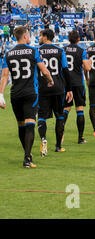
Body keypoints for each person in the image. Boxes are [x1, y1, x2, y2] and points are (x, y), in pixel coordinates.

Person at [0, 27, 54, 168]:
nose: (30, 37)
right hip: (30, 92)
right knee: (30, 125)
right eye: (29, 34)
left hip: (15, 94)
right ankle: (27, 159)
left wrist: (1, 94)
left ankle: (27, 154)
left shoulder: (8, 53)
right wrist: (50, 79)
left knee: (21, 126)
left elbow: (5, 76)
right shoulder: (33, 51)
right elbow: (44, 70)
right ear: (24, 36)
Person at [37, 29, 73, 155]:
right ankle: (58, 146)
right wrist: (69, 89)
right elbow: (66, 71)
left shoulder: (37, 51)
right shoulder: (60, 50)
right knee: (60, 116)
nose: (39, 37)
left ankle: (43, 140)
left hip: (42, 88)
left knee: (41, 117)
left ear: (45, 37)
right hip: (58, 88)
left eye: (40, 35)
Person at [63, 31, 92, 144]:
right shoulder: (81, 51)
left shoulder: (63, 50)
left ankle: (61, 133)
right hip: (78, 83)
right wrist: (89, 61)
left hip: (66, 83)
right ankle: (80, 138)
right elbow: (87, 67)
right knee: (79, 109)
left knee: (66, 109)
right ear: (78, 39)